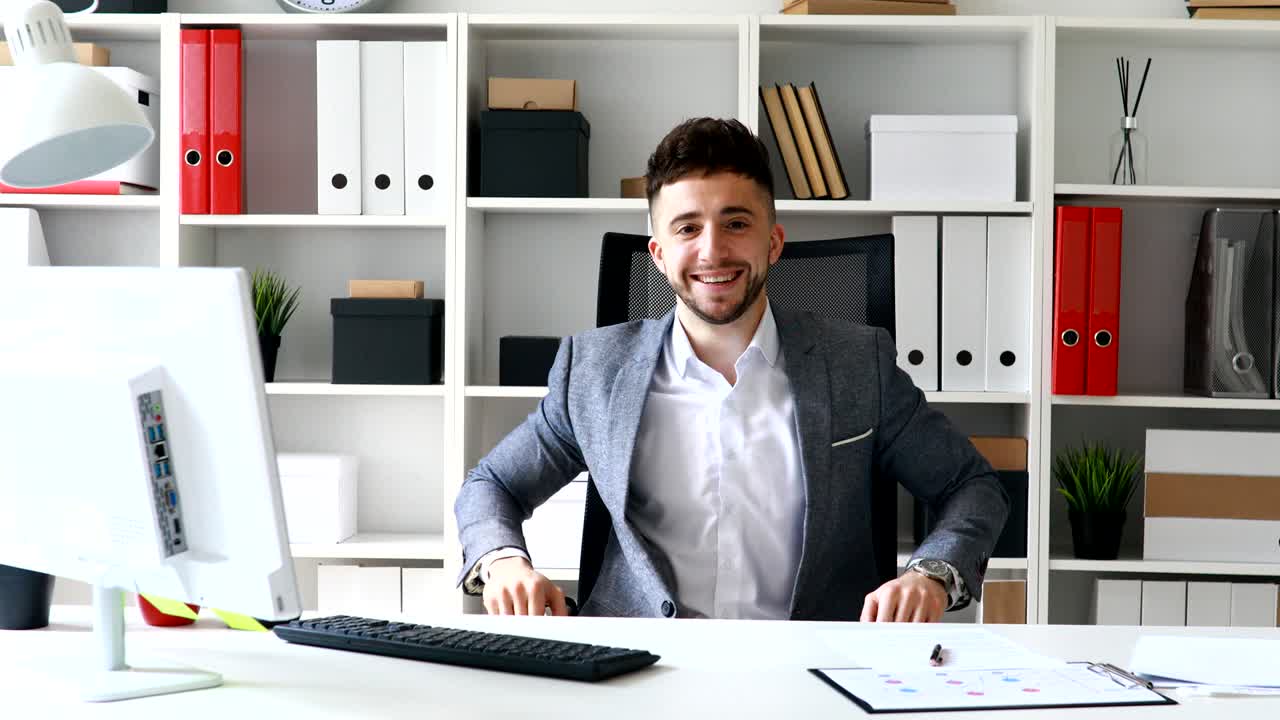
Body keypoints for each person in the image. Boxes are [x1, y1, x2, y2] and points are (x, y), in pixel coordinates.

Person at [454, 117, 1008, 622]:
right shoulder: (595, 372)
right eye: (687, 228)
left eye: (736, 223)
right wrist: (503, 562)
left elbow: (972, 486)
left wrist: (930, 575)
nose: (712, 251)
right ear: (658, 253)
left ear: (773, 242)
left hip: (812, 665)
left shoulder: (856, 365)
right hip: (642, 664)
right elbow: (491, 485)